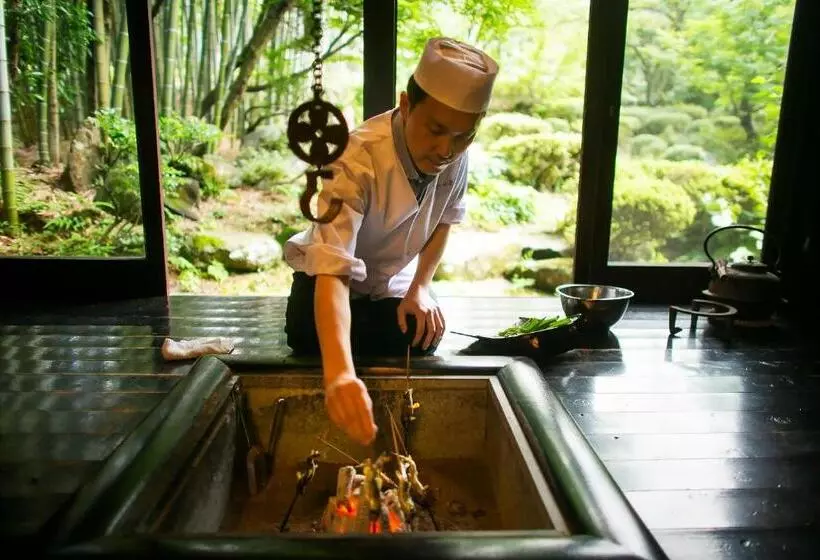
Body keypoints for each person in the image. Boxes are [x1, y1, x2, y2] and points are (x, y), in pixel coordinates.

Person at [282, 37, 499, 446]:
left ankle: (357, 334)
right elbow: (332, 268)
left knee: (422, 338)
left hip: (387, 284)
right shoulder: (354, 156)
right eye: (435, 130)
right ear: (406, 103)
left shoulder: (457, 156)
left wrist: (420, 289)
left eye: (462, 136)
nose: (446, 150)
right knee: (307, 336)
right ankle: (342, 345)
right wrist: (340, 375)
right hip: (327, 282)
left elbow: (444, 222)